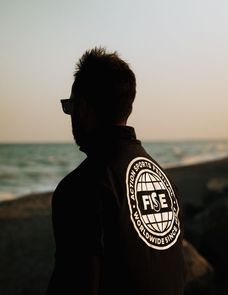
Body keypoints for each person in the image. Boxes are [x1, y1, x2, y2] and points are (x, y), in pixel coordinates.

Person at [46, 47, 186, 295]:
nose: (70, 116)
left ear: (85, 109)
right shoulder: (165, 181)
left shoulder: (81, 189)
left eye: (70, 106)